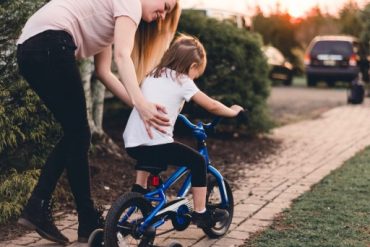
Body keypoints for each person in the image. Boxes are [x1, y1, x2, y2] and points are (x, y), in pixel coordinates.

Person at [16, 0, 180, 244]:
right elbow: (123, 56)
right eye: (165, 5)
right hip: (50, 43)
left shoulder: (114, 15)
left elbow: (104, 72)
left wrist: (139, 106)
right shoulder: (131, 3)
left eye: (168, 12)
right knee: (78, 133)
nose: (163, 14)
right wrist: (141, 103)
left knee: (76, 133)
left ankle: (65, 215)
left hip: (30, 51)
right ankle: (57, 211)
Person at [123, 35, 244, 229]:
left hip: (132, 143)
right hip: (157, 146)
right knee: (198, 161)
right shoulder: (183, 81)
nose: (195, 77)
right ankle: (201, 213)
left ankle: (138, 189)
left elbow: (160, 100)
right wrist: (233, 111)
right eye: (197, 73)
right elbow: (211, 105)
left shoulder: (154, 73)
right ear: (193, 66)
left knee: (148, 144)